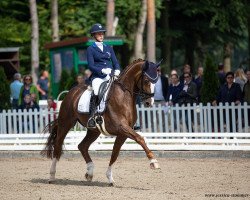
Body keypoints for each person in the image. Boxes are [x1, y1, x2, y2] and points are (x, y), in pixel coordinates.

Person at [86, 23, 121, 128]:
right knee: (96, 90)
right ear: (94, 35)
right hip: (98, 76)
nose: (101, 35)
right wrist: (102, 70)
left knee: (122, 89)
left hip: (110, 75)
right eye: (98, 34)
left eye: (102, 33)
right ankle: (92, 116)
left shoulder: (108, 47)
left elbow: (115, 62)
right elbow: (91, 66)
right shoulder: (90, 49)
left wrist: (117, 70)